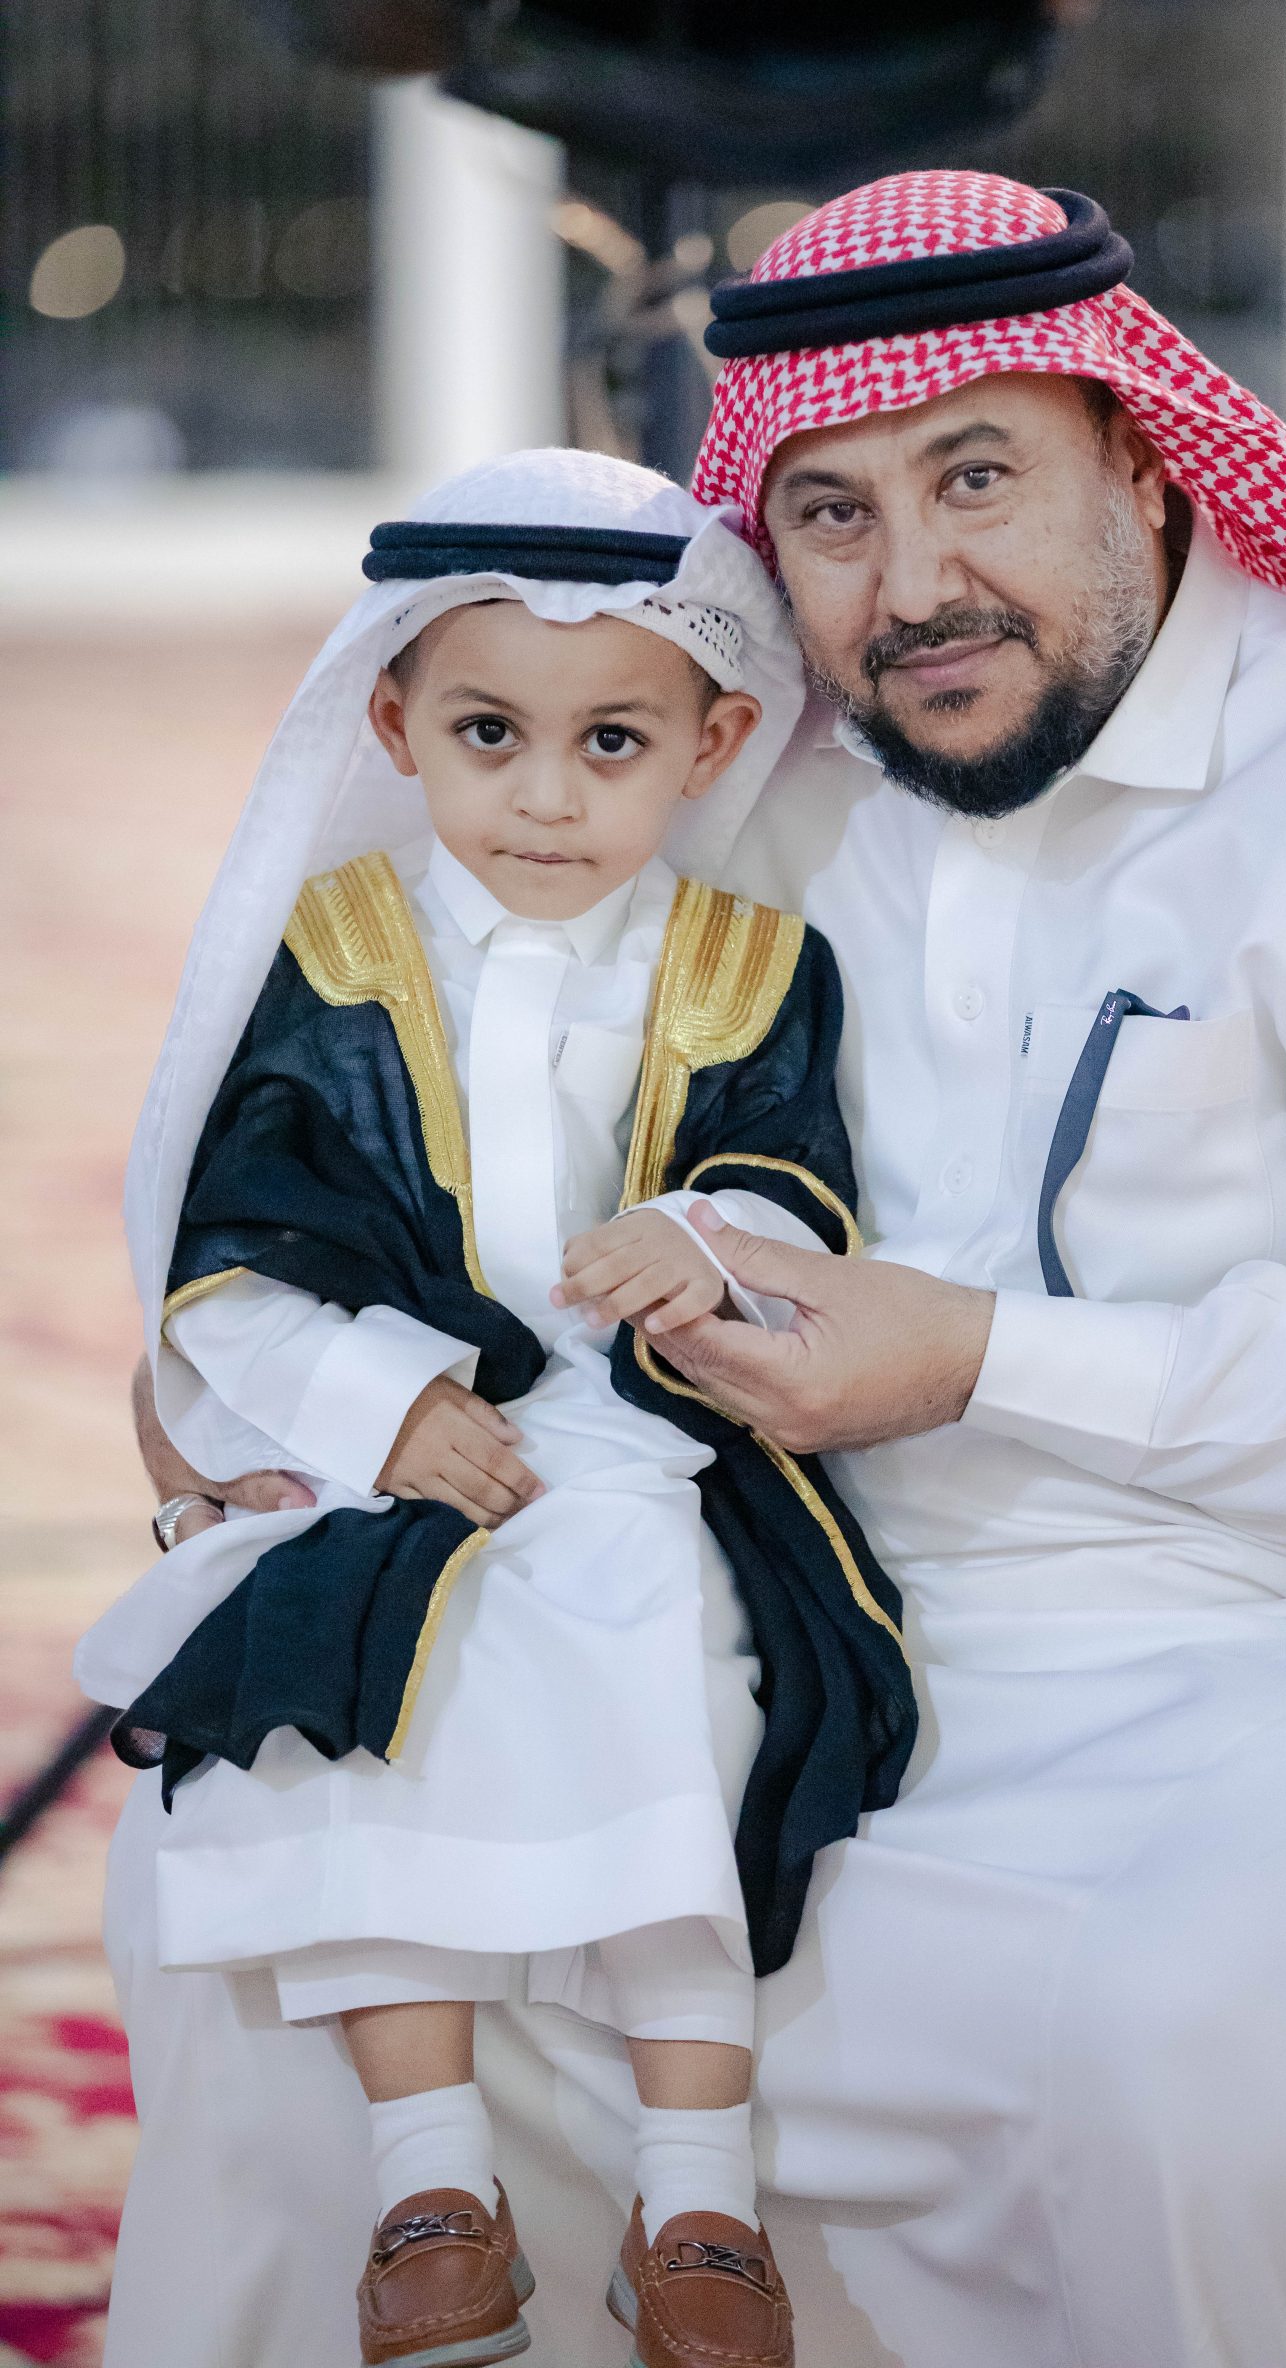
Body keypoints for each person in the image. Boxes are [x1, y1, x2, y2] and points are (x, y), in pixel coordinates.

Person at [111, 173, 1286, 2368]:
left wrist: (975, 1359)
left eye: (976, 479)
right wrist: (271, 1393)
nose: (912, 584)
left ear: (1139, 458)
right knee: (281, 1895)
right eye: (833, 515)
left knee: (1213, 2053)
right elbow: (440, 1173)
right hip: (834, 1654)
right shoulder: (737, 790)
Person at [78, 447, 917, 2368]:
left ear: (712, 746)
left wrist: (699, 1244)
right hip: (380, 1450)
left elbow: (798, 1188)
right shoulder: (331, 955)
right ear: (395, 727)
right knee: (352, 1704)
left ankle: (697, 2203)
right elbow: (235, 1244)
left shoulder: (750, 963)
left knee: (679, 1659)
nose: (546, 796)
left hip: (654, 1440)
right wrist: (384, 1410)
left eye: (612, 743)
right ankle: (429, 2187)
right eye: (489, 735)